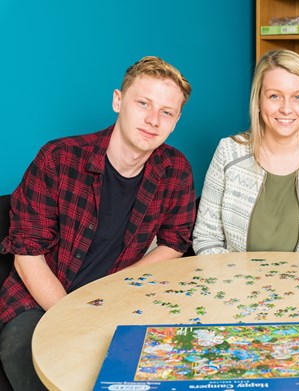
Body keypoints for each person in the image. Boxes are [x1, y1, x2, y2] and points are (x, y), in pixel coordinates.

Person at [0, 56, 197, 390]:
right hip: (40, 301)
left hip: (118, 300)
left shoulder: (175, 168)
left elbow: (175, 240)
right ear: (118, 101)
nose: (153, 120)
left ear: (175, 121)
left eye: (166, 112)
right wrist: (75, 314)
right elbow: (27, 256)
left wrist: (117, 288)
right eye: (143, 103)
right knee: (34, 361)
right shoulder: (58, 159)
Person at [192, 49, 299, 256]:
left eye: (298, 97)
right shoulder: (228, 152)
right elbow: (206, 239)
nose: (286, 109)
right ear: (258, 101)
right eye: (274, 96)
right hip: (233, 283)